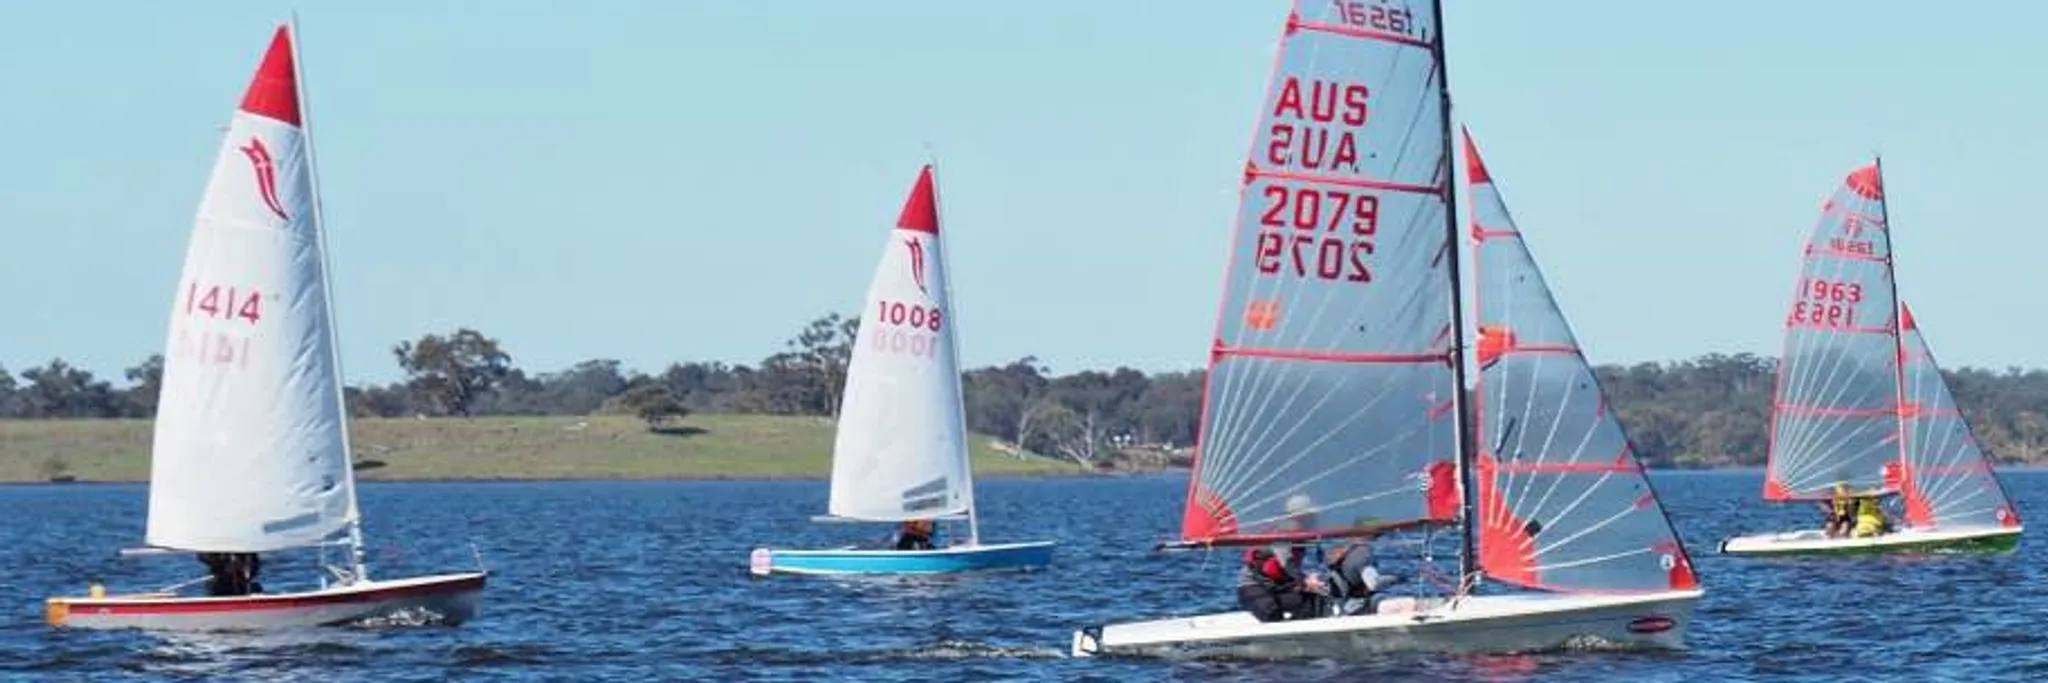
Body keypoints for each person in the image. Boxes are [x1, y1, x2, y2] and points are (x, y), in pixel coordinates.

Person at [1326, 537, 1404, 615]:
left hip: (1345, 606)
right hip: (1363, 603)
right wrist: (1396, 579)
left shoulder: (1336, 560)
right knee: (1409, 605)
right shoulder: (1362, 553)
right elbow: (1373, 584)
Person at [1237, 545, 1316, 622]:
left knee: (1312, 604)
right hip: (1253, 587)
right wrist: (1303, 582)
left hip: (1280, 586)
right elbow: (1288, 564)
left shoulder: (1299, 543)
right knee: (1271, 612)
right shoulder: (1280, 545)